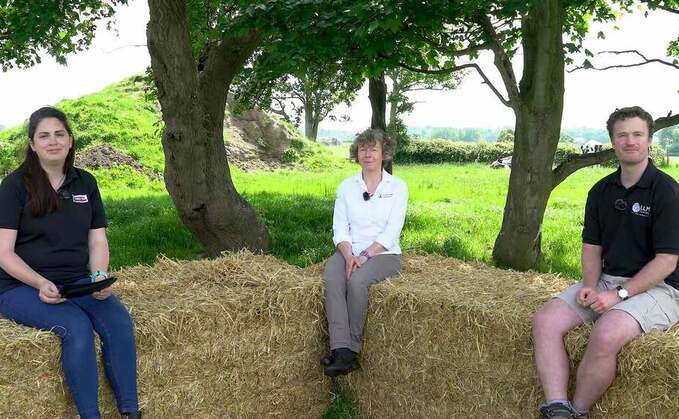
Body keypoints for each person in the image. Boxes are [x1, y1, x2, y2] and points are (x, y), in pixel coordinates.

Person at [532, 106, 679, 419]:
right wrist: (589, 285)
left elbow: (667, 261)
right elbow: (591, 247)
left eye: (637, 134)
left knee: (607, 332)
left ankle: (577, 411)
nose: (630, 141)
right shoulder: (600, 191)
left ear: (649, 140)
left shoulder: (667, 192)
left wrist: (619, 295)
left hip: (661, 288)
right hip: (606, 280)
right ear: (612, 141)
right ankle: (557, 407)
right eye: (622, 135)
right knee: (545, 321)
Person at [0, 107, 141, 419]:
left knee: (117, 319)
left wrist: (99, 276)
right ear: (32, 144)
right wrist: (40, 283)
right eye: (44, 135)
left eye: (59, 134)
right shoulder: (13, 187)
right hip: (20, 285)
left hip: (77, 280)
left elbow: (97, 239)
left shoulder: (85, 183)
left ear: (70, 140)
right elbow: (4, 253)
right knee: (76, 326)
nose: (53, 141)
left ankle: (131, 410)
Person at [321, 128, 408, 377]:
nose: (367, 154)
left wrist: (365, 256)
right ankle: (341, 350)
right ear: (356, 153)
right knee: (332, 276)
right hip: (350, 250)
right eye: (362, 149)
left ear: (384, 153)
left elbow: (392, 230)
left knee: (357, 281)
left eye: (373, 149)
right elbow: (339, 227)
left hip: (384, 254)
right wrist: (348, 255)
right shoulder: (347, 187)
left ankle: (353, 348)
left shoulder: (398, 187)